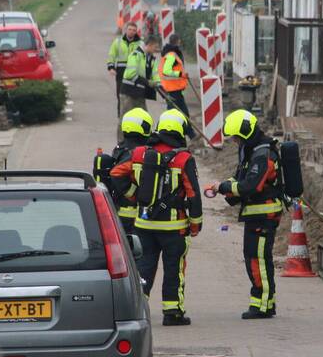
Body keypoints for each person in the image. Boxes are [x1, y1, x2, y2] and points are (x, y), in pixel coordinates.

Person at [111, 109, 203, 326]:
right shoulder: (183, 159)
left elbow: (116, 174)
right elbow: (193, 194)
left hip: (143, 225)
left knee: (144, 268)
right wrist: (196, 225)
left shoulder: (140, 153)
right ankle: (173, 313)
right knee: (174, 269)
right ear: (180, 130)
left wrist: (134, 196)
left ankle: (138, 310)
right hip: (174, 227)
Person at [211, 109, 284, 320]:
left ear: (245, 135)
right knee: (255, 257)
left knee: (258, 259)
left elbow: (251, 186)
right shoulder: (252, 151)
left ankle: (262, 305)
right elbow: (240, 179)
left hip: (264, 215)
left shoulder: (263, 155)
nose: (234, 142)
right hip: (256, 215)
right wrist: (223, 188)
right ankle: (265, 302)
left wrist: (223, 186)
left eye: (236, 138)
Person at [104, 107, 154, 234]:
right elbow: (116, 173)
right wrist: (135, 194)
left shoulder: (120, 147)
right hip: (132, 213)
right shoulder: (136, 152)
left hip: (119, 209)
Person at [118, 36, 160, 138]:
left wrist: (160, 86)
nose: (156, 49)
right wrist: (148, 82)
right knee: (125, 118)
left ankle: (145, 141)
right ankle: (121, 142)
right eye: (155, 47)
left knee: (144, 118)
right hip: (128, 92)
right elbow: (130, 74)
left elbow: (155, 76)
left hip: (140, 93)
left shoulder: (152, 59)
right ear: (149, 45)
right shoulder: (136, 55)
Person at [108, 22, 141, 117]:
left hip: (135, 75)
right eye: (130, 29)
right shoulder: (118, 42)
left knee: (134, 97)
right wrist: (111, 67)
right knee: (121, 96)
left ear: (136, 32)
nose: (131, 32)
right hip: (121, 73)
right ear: (126, 30)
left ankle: (133, 118)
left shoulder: (140, 43)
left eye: (134, 30)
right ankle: (121, 117)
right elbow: (112, 55)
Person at [158, 36, 190, 118]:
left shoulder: (171, 53)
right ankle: (170, 129)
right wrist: (181, 74)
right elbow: (166, 71)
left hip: (175, 90)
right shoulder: (171, 55)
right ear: (178, 42)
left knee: (183, 114)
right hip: (173, 90)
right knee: (174, 115)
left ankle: (188, 130)